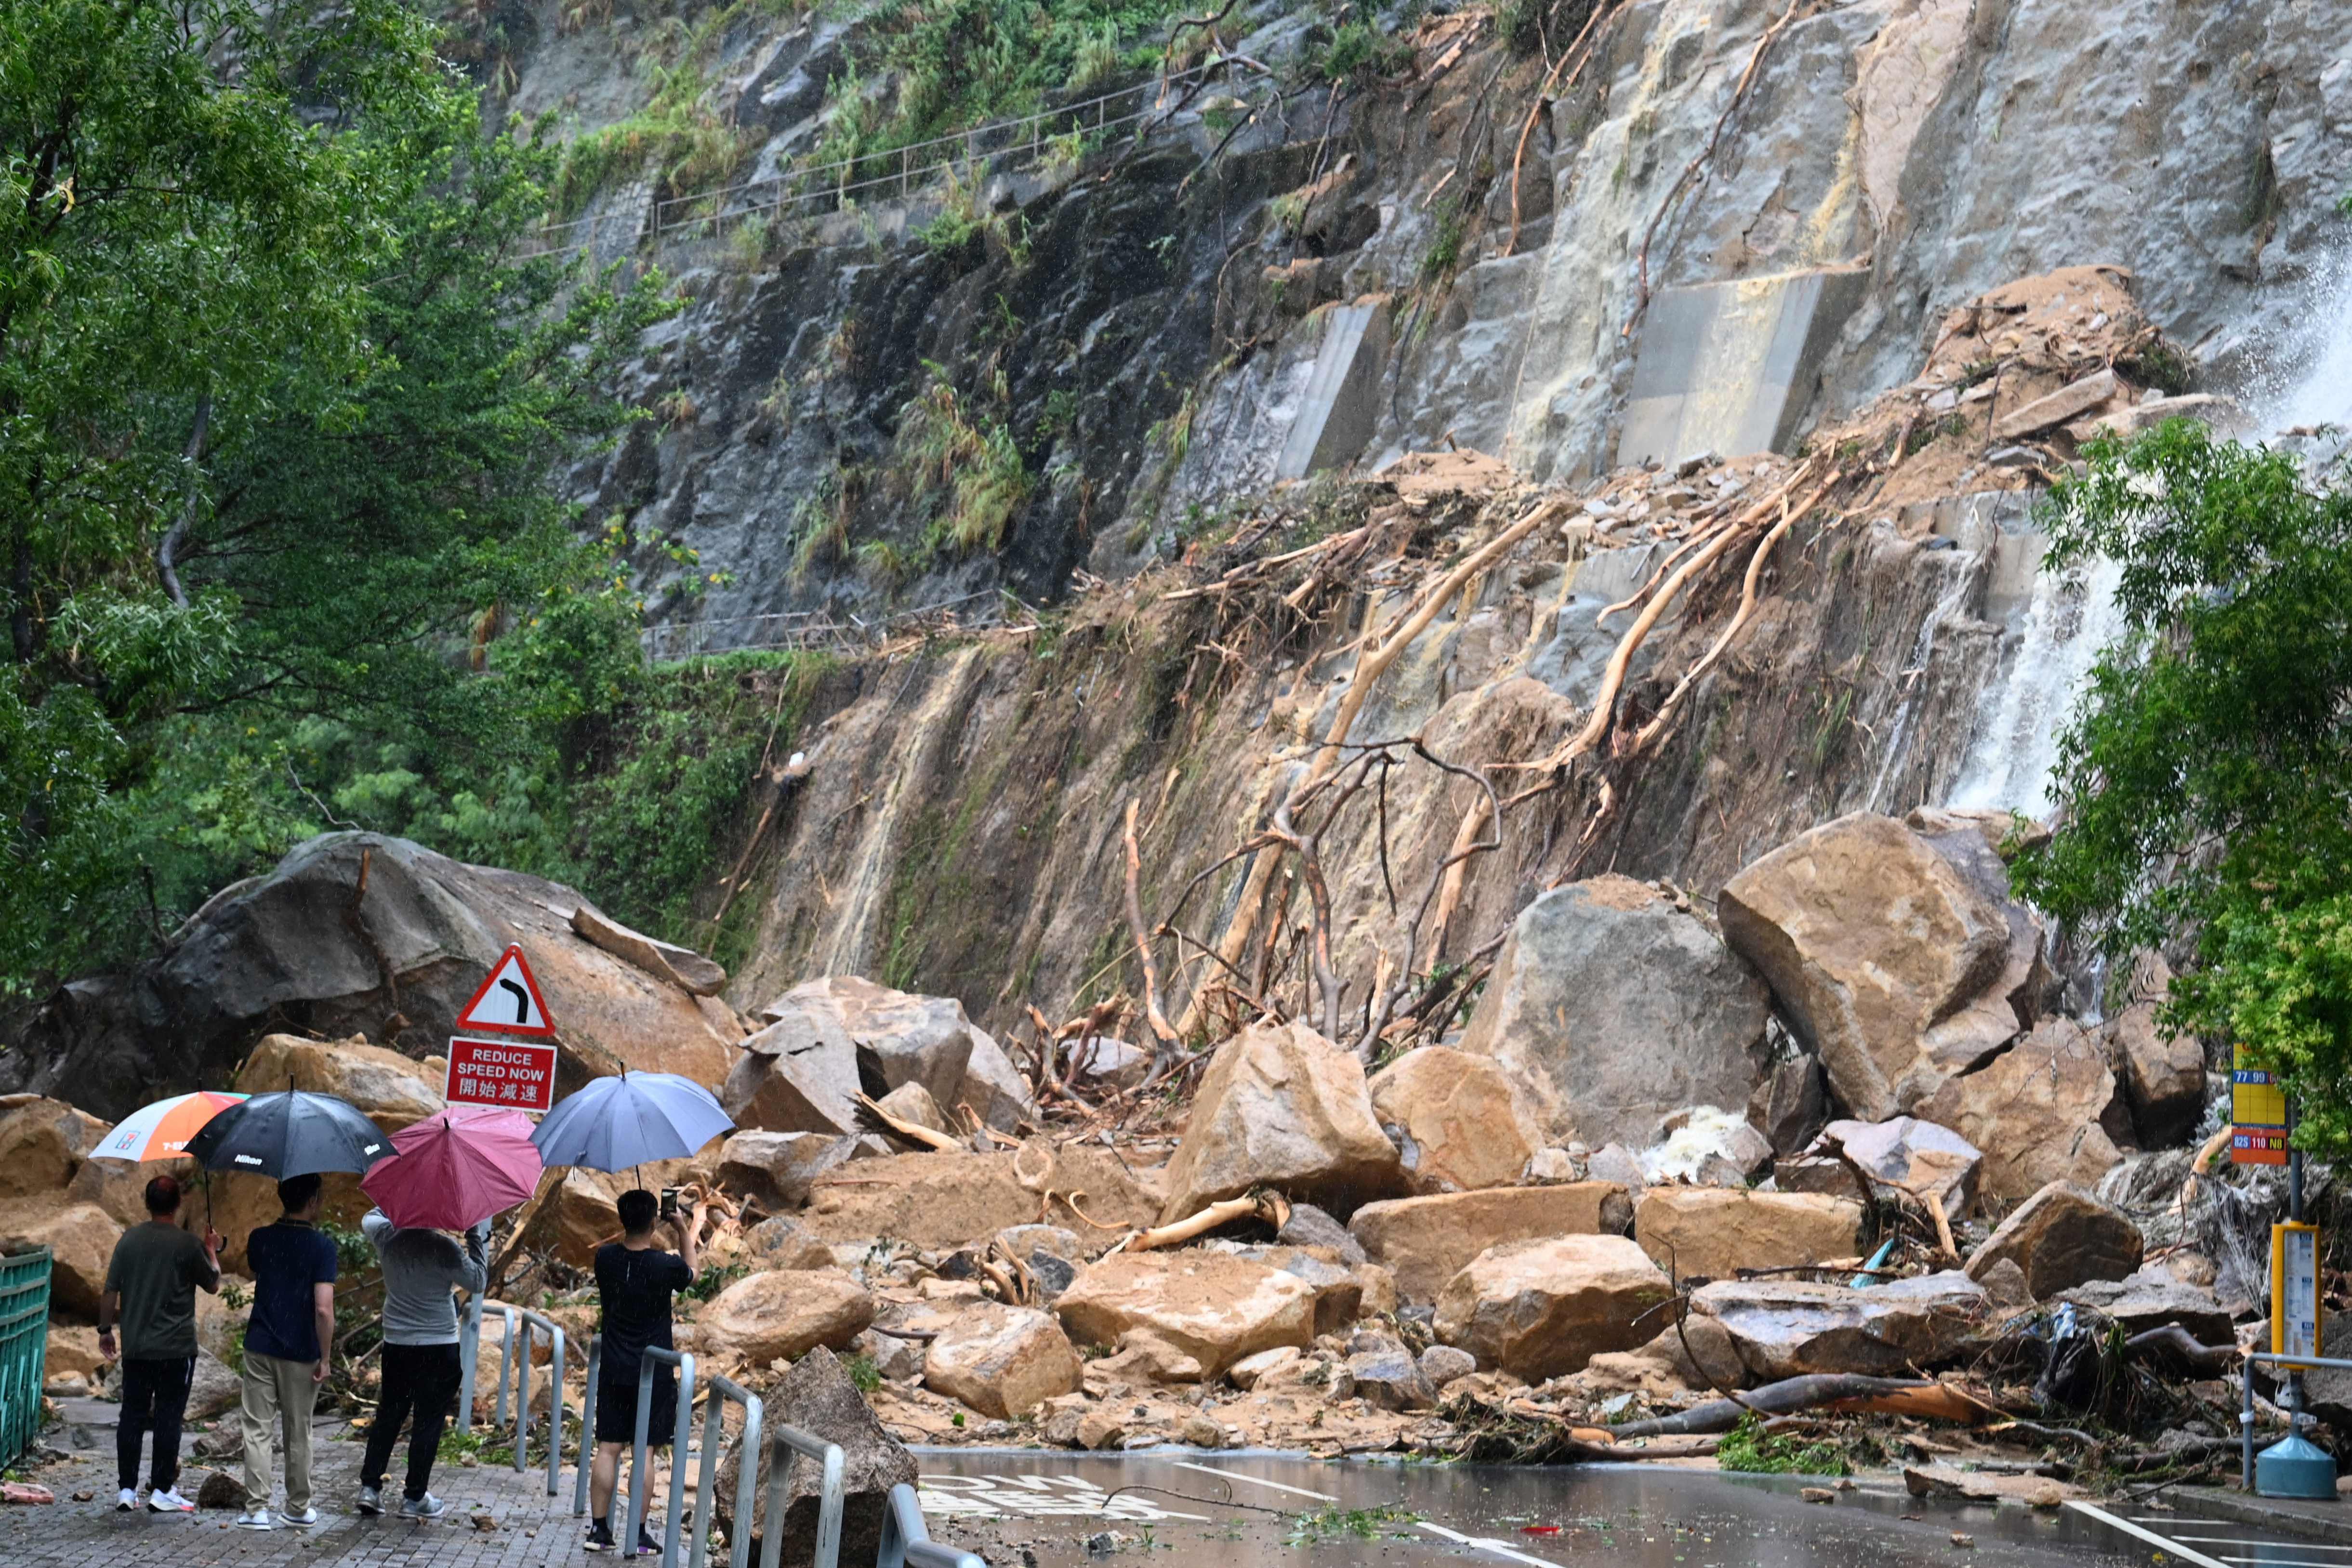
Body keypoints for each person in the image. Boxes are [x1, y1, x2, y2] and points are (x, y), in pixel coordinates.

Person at [585, 1188, 702, 1555]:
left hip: (615, 1367)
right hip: (653, 1372)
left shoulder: (604, 1258)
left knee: (608, 1447)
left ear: (622, 1219)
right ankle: (637, 1533)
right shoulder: (663, 1265)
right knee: (645, 1452)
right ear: (655, 1220)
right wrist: (683, 1228)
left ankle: (599, 1530)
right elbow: (693, 1274)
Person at [97, 1173, 222, 1513]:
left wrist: (105, 1329)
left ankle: (126, 1489)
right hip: (177, 1349)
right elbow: (213, 1284)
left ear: (147, 1203)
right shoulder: (187, 1244)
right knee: (169, 1416)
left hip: (137, 1346)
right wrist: (211, 1249)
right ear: (178, 1203)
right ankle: (163, 1489)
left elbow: (110, 1289)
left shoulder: (128, 1241)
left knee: (132, 1416)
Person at [356, 1207, 487, 1519]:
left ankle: (370, 1489)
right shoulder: (444, 1248)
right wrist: (474, 1236)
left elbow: (369, 1217)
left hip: (398, 1344)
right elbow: (478, 1280)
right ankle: (414, 1496)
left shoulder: (387, 1237)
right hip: (438, 1346)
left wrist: (400, 1197)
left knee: (389, 1415)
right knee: (428, 1422)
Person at [235, 1173, 338, 1530]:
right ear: (312, 1201)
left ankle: (256, 1509)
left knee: (257, 1428)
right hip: (302, 1350)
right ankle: (297, 1507)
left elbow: (259, 1268)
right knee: (298, 1431)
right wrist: (325, 1358)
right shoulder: (322, 1247)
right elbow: (323, 1309)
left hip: (261, 1345)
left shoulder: (260, 1238)